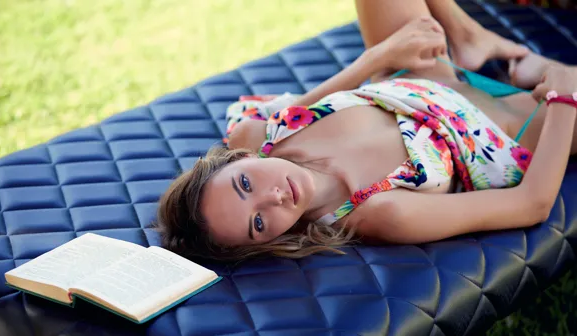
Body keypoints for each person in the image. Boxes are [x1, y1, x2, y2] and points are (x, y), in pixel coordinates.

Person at [157, 0, 577, 261]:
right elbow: (531, 204)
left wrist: (380, 55)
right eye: (260, 223)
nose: (274, 197)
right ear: (269, 241)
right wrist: (563, 97)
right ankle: (537, 72)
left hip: (419, 76)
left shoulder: (261, 138)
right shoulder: (380, 212)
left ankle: (469, 36)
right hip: (507, 127)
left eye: (245, 184)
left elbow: (320, 100)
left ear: (240, 161)